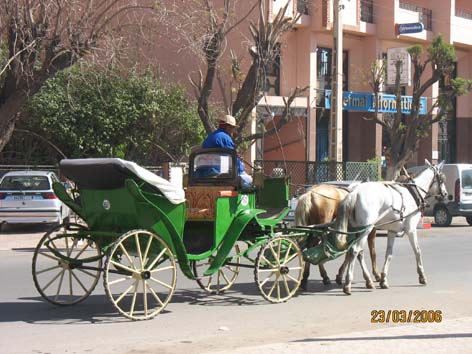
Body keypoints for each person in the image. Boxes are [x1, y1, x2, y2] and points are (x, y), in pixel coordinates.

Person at [202, 114, 253, 187]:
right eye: (233, 128)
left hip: (205, 172)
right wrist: (241, 169)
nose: (233, 131)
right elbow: (233, 158)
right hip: (218, 173)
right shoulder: (225, 138)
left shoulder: (210, 136)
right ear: (228, 127)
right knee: (249, 180)